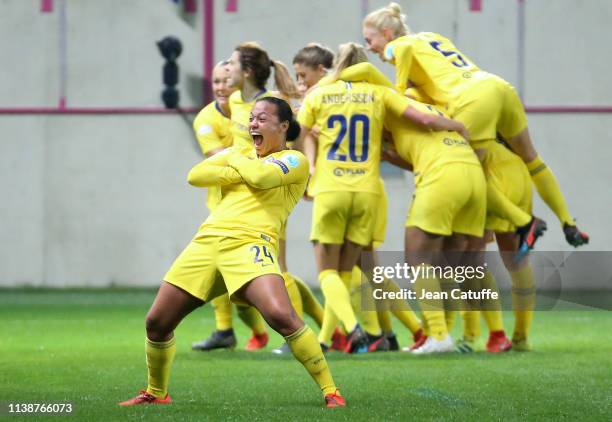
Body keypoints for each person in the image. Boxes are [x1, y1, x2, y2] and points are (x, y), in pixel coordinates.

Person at [120, 97, 345, 408]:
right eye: (251, 118)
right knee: (156, 322)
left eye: (262, 118)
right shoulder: (246, 154)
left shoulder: (295, 160)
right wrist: (241, 160)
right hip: (207, 242)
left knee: (282, 316)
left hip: (251, 244)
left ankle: (331, 391)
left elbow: (262, 177)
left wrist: (234, 160)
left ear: (283, 126)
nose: (253, 123)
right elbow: (195, 175)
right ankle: (156, 393)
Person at [362, 2, 589, 256]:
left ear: (387, 34)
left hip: (471, 100)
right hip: (496, 86)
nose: (369, 48)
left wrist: (392, 96)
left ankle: (525, 222)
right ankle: (568, 222)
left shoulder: (398, 46)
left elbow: (399, 76)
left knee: (470, 170)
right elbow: (435, 83)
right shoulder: (430, 38)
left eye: (369, 40)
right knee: (531, 158)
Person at [297, 42, 467, 353]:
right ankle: (361, 335)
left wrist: (309, 166)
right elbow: (422, 119)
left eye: (301, 76)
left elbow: (299, 131)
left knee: (335, 271)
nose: (300, 82)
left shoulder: (319, 95)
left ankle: (360, 331)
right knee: (357, 269)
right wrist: (456, 124)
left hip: (332, 187)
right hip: (367, 190)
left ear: (331, 69)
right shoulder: (379, 94)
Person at [190, 60, 271, 352]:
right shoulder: (205, 119)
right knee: (223, 274)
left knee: (266, 276)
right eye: (216, 81)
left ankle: (329, 331)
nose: (221, 87)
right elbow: (215, 157)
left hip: (259, 207)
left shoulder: (254, 109)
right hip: (223, 207)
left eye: (227, 80)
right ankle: (230, 330)